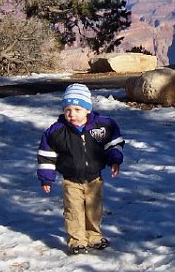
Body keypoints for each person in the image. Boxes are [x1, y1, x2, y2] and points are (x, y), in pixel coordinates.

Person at [37, 83, 124, 255]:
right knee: (74, 211)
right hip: (71, 179)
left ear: (88, 110)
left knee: (94, 209)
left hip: (94, 178)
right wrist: (46, 177)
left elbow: (114, 142)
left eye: (77, 109)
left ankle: (93, 235)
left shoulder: (101, 127)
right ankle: (77, 240)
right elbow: (47, 154)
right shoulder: (57, 132)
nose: (72, 114)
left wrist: (115, 160)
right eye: (68, 109)